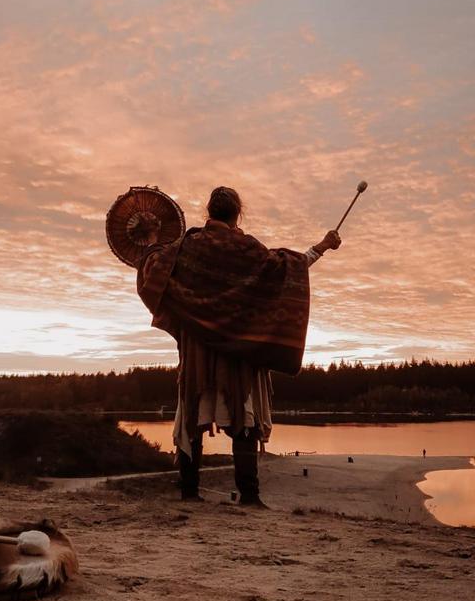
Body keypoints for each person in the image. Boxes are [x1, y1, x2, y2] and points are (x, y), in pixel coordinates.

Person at [136, 186, 341, 506]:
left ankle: (189, 493)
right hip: (239, 352)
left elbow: (153, 270)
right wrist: (322, 246)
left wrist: (150, 238)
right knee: (243, 419)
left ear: (209, 211)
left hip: (198, 352)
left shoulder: (186, 247)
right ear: (238, 214)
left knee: (193, 416)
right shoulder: (247, 250)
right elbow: (287, 270)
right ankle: (249, 496)